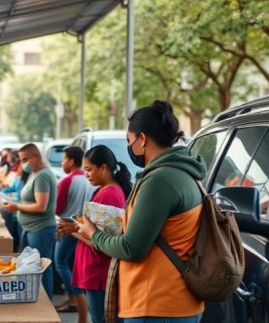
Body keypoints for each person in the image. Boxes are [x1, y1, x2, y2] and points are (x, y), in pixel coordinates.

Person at [77, 100, 206, 322]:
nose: (129, 148)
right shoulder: (184, 173)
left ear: (142, 139)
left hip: (157, 304)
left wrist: (92, 234)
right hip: (180, 302)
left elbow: (131, 248)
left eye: (130, 141)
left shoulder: (159, 180)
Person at [59, 145, 132, 323]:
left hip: (99, 271)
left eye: (89, 169)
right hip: (93, 270)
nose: (85, 174)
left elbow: (101, 243)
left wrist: (74, 229)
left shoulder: (110, 195)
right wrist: (75, 226)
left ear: (103, 168)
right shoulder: (102, 191)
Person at [2, 143, 57, 299]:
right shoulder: (35, 173)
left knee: (41, 268)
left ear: (35, 156)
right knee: (29, 266)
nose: (22, 164)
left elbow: (41, 206)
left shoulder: (42, 176)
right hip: (31, 228)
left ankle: (46, 303)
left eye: (25, 159)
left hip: (40, 229)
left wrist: (17, 206)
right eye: (20, 160)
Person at [53, 146, 96, 315]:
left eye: (63, 159)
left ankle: (76, 298)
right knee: (71, 265)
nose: (62, 163)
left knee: (60, 262)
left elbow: (58, 208)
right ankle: (75, 300)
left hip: (67, 227)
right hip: (84, 227)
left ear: (71, 161)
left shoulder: (66, 180)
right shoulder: (88, 180)